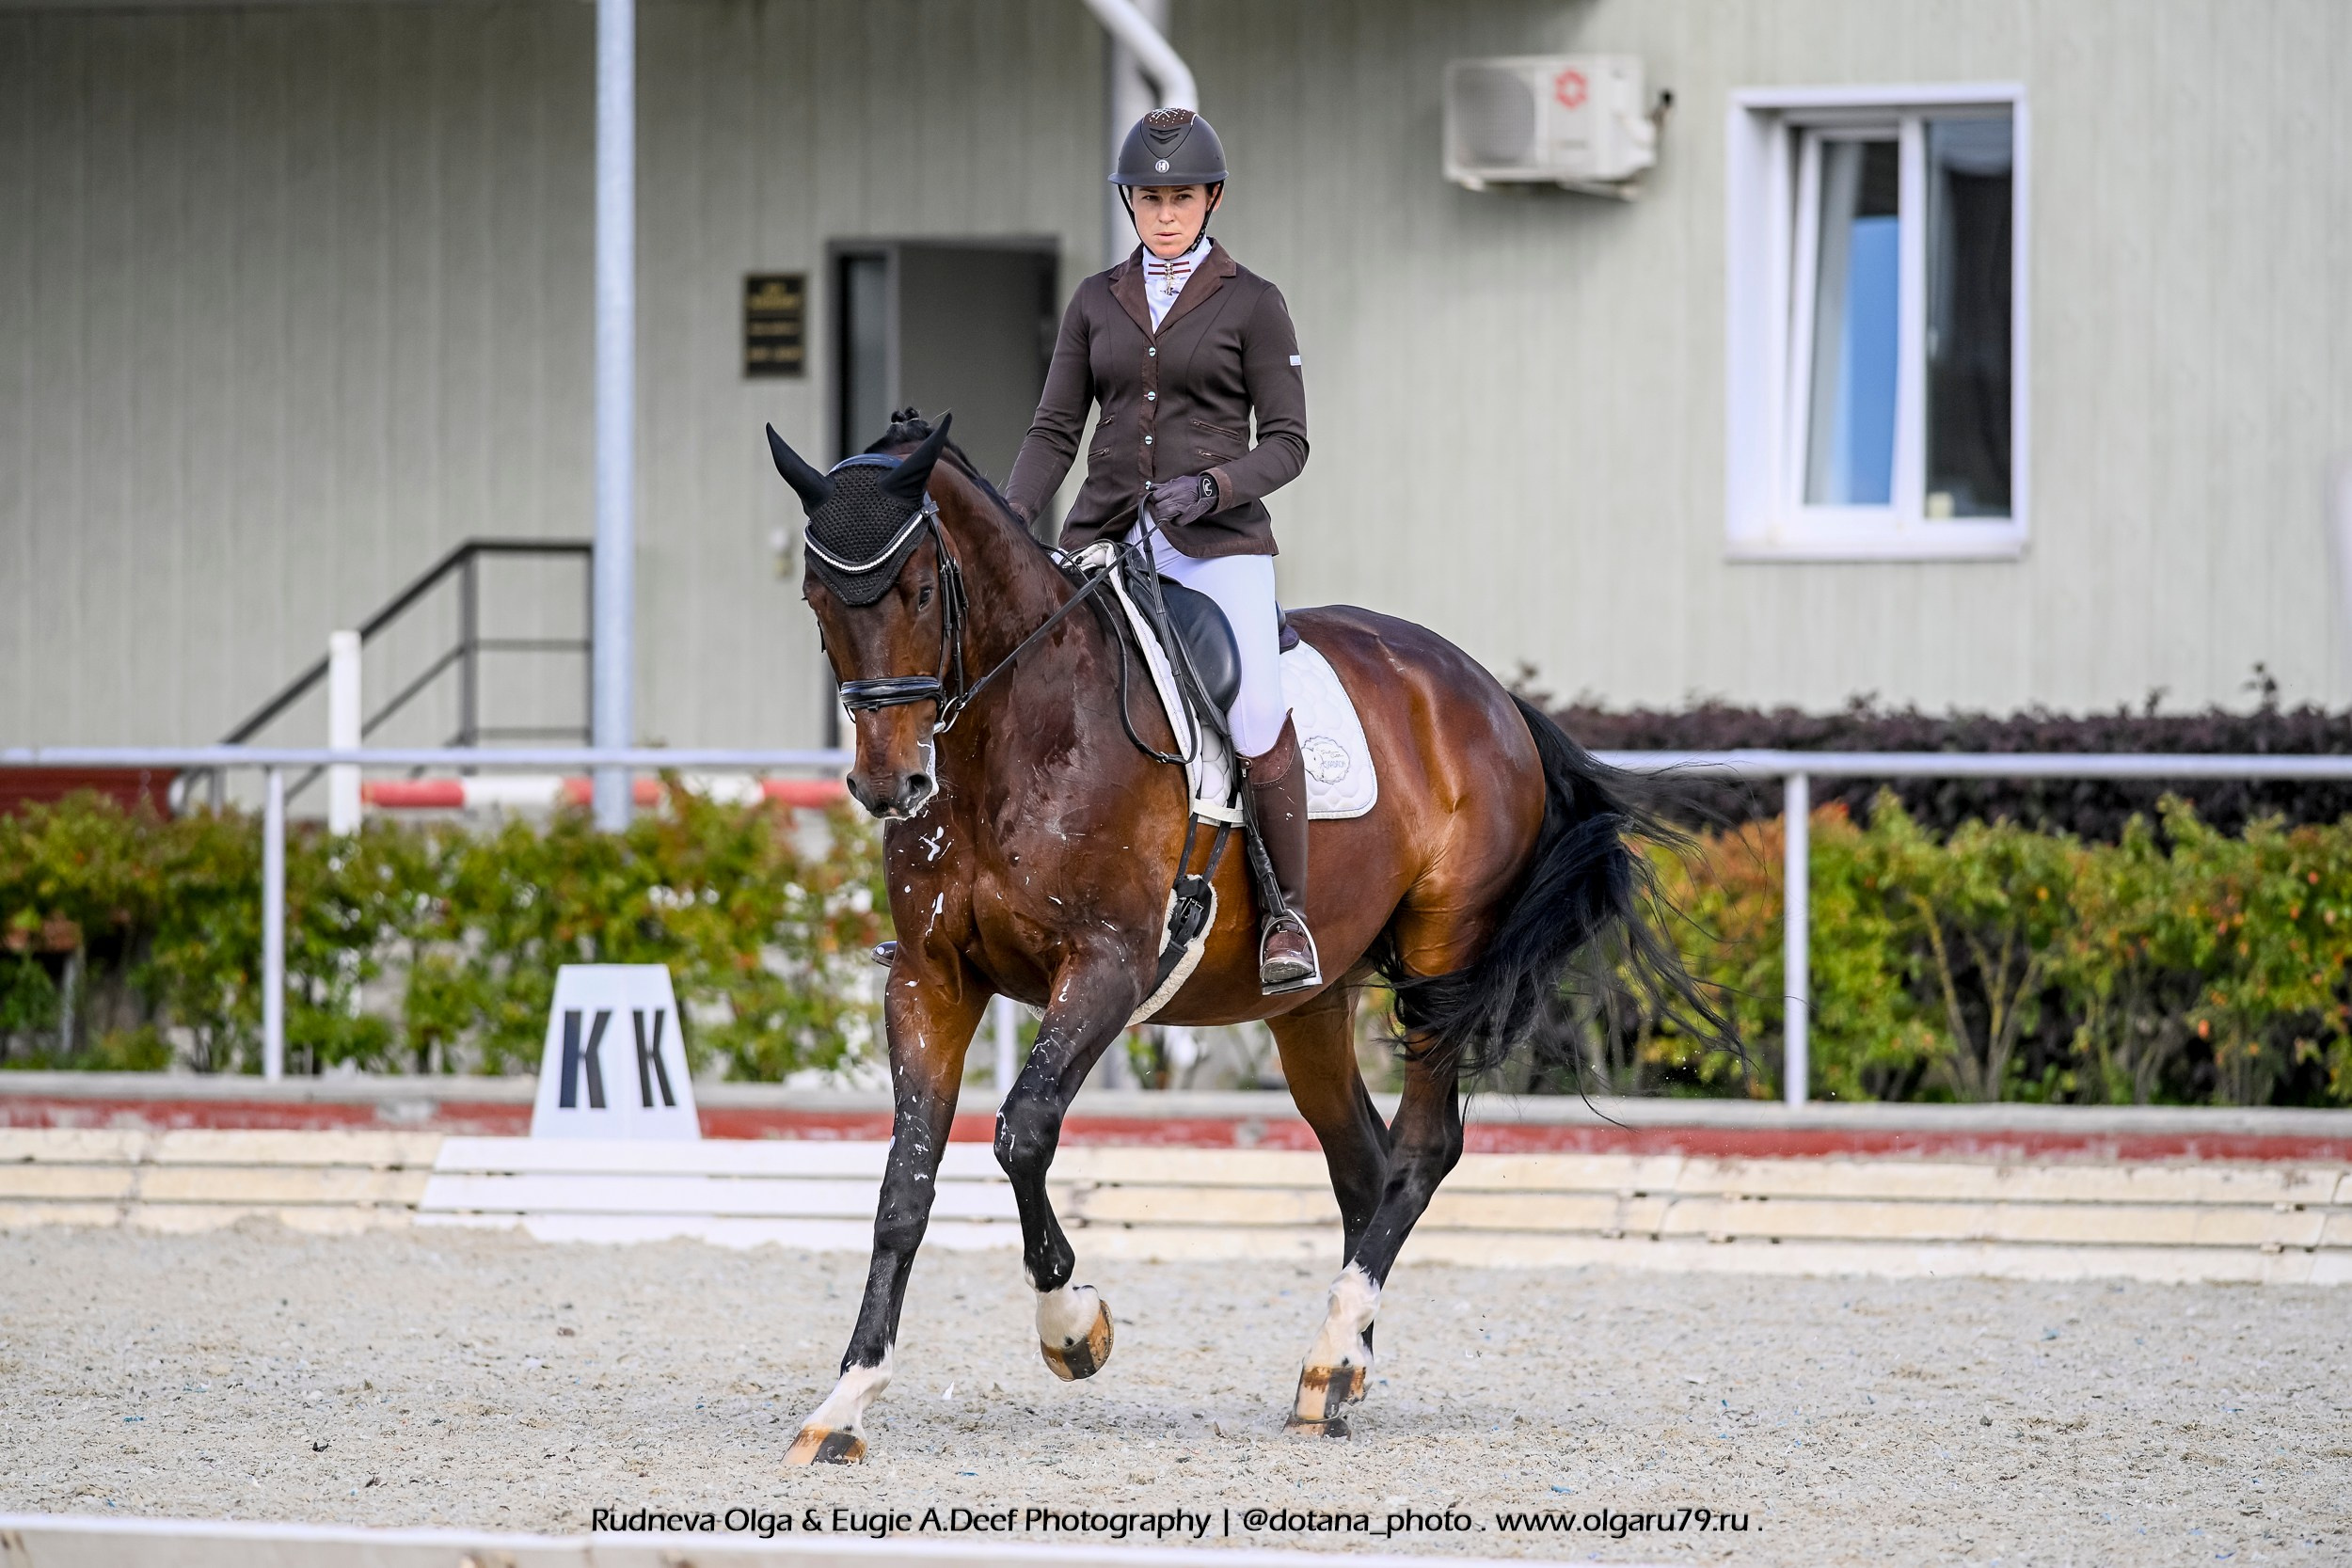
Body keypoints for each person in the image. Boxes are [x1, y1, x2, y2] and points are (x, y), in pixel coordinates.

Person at [1005, 107, 1317, 995]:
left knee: (1255, 711)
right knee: (1023, 688)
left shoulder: (1253, 302)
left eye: (1181, 197)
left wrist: (1214, 487)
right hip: (1106, 539)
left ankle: (1287, 912)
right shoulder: (1096, 301)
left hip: (1217, 548)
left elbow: (1289, 441)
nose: (1166, 212)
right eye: (1150, 198)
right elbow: (1056, 426)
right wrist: (1011, 512)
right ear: (1130, 204)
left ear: (1210, 199)